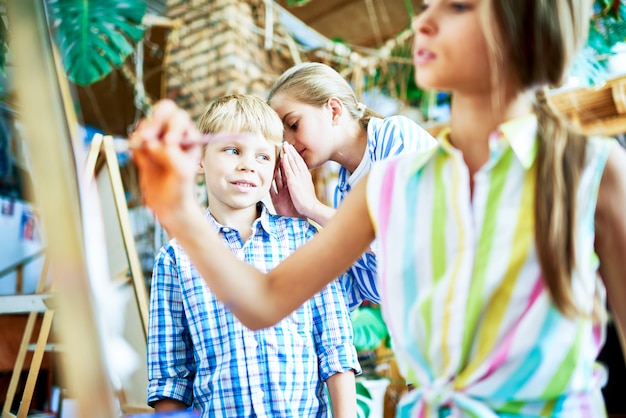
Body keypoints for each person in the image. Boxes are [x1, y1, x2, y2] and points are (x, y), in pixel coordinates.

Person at [133, 1, 626, 415]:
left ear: (525, 22)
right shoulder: (388, 185)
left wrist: (306, 208)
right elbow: (263, 303)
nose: (423, 21)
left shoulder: (592, 172)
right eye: (428, 4)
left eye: (456, 6)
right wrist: (176, 206)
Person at [145, 94, 360, 417]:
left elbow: (335, 348)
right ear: (199, 159)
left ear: (276, 167)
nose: (247, 164)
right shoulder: (175, 259)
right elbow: (170, 378)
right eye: (232, 150)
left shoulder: (304, 240)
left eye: (263, 156)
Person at [267, 62, 437, 308]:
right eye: (283, 139)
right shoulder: (343, 195)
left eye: (293, 125)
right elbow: (352, 292)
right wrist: (294, 222)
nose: (289, 144)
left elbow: (403, 239)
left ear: (334, 110)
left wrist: (313, 208)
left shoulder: (396, 136)